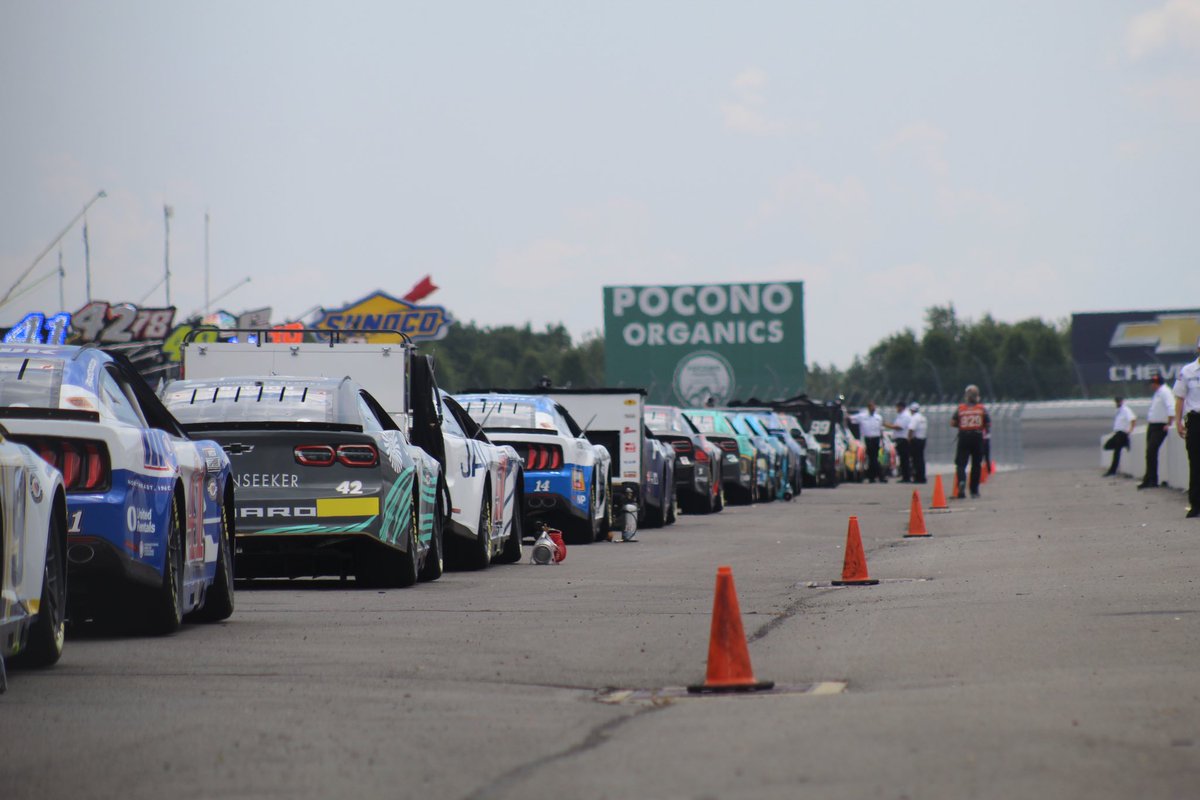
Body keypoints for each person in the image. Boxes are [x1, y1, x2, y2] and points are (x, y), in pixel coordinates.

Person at [1174, 337, 1200, 518]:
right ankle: (1196, 504)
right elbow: (1180, 398)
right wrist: (1178, 421)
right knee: (1196, 462)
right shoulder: (1187, 371)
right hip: (1196, 420)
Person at [951, 384, 989, 498]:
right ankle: (974, 490)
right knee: (976, 464)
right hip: (977, 437)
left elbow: (952, 423)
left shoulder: (961, 408)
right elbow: (988, 423)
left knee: (961, 463)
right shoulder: (981, 409)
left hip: (964, 436)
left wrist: (963, 425)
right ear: (977, 396)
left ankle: (962, 482)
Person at [1139, 374, 1175, 489]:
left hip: (1160, 425)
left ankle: (1152, 479)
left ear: (1156, 383)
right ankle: (1149, 478)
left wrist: (1169, 423)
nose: (1151, 386)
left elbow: (1171, 407)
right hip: (1153, 425)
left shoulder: (1165, 392)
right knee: (1149, 453)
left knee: (1151, 451)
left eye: (1152, 384)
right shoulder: (1158, 393)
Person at [852, 401, 886, 483]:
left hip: (876, 439)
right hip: (867, 439)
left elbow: (881, 430)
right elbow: (850, 418)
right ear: (868, 408)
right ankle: (879, 476)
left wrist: (882, 441)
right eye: (871, 407)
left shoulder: (878, 417)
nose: (873, 408)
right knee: (872, 458)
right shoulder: (862, 416)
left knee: (873, 459)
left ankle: (873, 477)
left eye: (874, 407)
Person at [1103, 396, 1136, 477]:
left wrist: (1130, 430)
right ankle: (1124, 443)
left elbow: (1133, 419)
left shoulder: (1125, 409)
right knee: (1107, 446)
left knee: (1116, 452)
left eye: (1119, 401)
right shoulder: (1118, 410)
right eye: (1116, 402)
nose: (1117, 403)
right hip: (1118, 433)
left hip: (1122, 433)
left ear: (1122, 401)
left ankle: (1112, 471)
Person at [887, 401, 913, 482]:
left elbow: (899, 427)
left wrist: (886, 425)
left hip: (903, 440)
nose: (896, 409)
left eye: (897, 407)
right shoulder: (901, 415)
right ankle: (905, 476)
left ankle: (906, 477)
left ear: (901, 407)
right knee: (902, 459)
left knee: (904, 459)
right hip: (900, 439)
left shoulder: (905, 416)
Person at [908, 402, 928, 483]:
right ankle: (922, 477)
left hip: (916, 440)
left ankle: (917, 477)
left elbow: (911, 429)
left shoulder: (914, 418)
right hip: (923, 439)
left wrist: (909, 439)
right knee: (921, 459)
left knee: (915, 460)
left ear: (912, 410)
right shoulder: (923, 418)